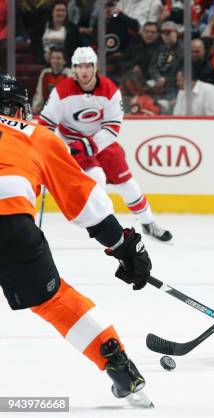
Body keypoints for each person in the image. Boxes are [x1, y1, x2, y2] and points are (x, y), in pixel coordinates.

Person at [0, 73, 153, 407]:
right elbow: (86, 204)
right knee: (53, 300)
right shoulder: (37, 136)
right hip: (11, 224)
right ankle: (118, 365)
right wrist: (123, 246)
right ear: (18, 109)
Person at [39, 47, 173, 242]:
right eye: (79, 66)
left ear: (95, 67)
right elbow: (46, 123)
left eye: (88, 66)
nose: (84, 71)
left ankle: (148, 223)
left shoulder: (109, 90)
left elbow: (112, 128)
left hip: (101, 141)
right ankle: (110, 230)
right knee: (97, 179)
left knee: (128, 185)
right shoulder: (62, 91)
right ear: (74, 69)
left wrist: (89, 145)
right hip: (74, 143)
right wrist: (48, 147)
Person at [32, 47, 72, 114]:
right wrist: (35, 109)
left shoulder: (69, 74)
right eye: (53, 58)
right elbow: (39, 94)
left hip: (65, 112)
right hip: (47, 110)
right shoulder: (45, 73)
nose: (55, 61)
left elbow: (71, 97)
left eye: (58, 58)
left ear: (64, 61)